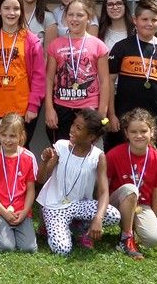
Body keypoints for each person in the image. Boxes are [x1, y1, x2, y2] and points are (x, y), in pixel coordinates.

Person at [105, 0, 157, 164]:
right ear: (135, 20)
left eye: (154, 20)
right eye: (144, 19)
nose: (149, 23)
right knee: (117, 160)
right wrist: (111, 114)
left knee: (154, 161)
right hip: (123, 116)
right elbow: (109, 81)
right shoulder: (122, 47)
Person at [37, 109, 121, 257]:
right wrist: (44, 162)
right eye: (73, 125)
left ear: (91, 136)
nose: (72, 129)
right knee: (62, 249)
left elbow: (103, 192)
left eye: (78, 128)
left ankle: (81, 229)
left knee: (113, 215)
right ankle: (51, 225)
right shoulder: (61, 147)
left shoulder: (98, 156)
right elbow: (40, 179)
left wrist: (98, 219)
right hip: (55, 206)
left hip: (79, 205)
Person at [0, 0, 46, 147]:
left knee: (20, 151)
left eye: (16, 8)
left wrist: (33, 106)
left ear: (21, 11)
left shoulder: (31, 40)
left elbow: (39, 77)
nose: (11, 13)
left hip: (22, 109)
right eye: (7, 8)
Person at [44, 0, 109, 145]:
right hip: (61, 107)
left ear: (88, 18)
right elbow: (49, 79)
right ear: (65, 17)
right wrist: (49, 108)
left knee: (86, 152)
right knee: (61, 151)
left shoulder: (98, 45)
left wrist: (102, 112)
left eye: (80, 15)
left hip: (89, 108)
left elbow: (105, 81)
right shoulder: (55, 45)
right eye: (71, 15)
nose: (74, 19)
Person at [105, 108, 157, 258]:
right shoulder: (114, 154)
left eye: (143, 131)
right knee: (131, 189)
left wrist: (153, 217)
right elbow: (103, 186)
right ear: (126, 133)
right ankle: (126, 238)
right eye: (133, 132)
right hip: (116, 202)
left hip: (141, 205)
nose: (139, 135)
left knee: (153, 240)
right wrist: (102, 211)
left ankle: (132, 229)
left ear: (152, 132)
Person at [0, 112, 38, 253]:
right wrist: (4, 212)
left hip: (20, 211)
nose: (7, 140)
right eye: (3, 135)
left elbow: (31, 189)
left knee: (29, 248)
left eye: (12, 136)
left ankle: (12, 229)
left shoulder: (29, 157)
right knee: (6, 247)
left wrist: (24, 212)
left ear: (21, 136)